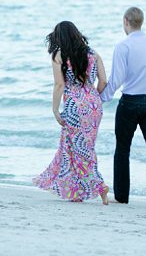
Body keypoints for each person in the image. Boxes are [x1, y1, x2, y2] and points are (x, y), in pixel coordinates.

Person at [100, 7, 146, 208]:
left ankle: (122, 196)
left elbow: (117, 78)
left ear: (125, 22)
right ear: (141, 21)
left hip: (130, 102)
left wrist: (102, 97)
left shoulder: (123, 46)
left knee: (122, 149)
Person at [33, 21, 110, 205]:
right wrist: (92, 98)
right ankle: (76, 192)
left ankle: (99, 185)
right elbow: (103, 82)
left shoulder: (59, 55)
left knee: (76, 148)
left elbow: (59, 84)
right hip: (93, 104)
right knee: (83, 147)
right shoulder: (93, 53)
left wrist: (54, 109)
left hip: (74, 105)